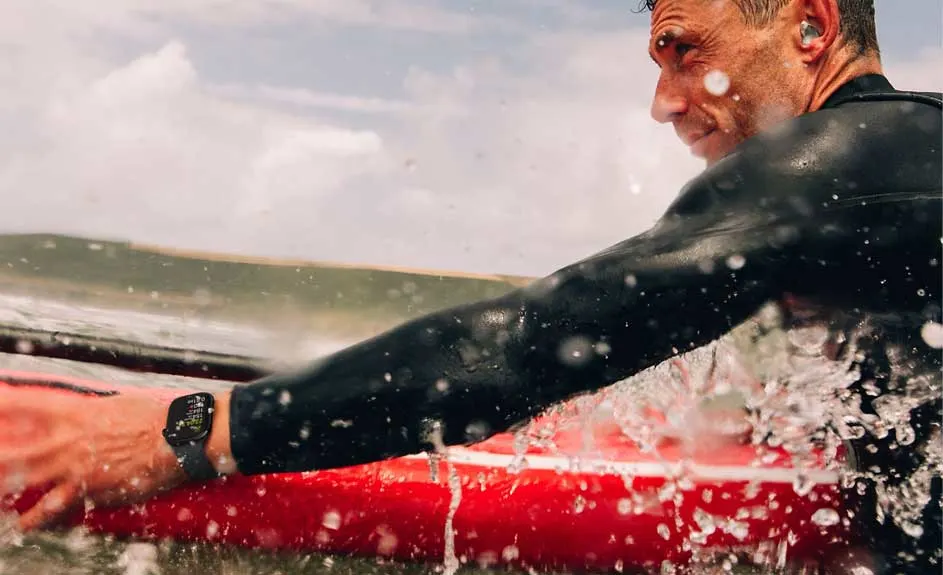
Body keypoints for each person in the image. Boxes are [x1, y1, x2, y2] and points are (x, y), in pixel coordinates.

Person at [1, 0, 940, 571]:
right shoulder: (891, 165)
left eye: (683, 50)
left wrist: (192, 432)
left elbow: (523, 347)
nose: (662, 101)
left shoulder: (831, 170)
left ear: (810, 27)